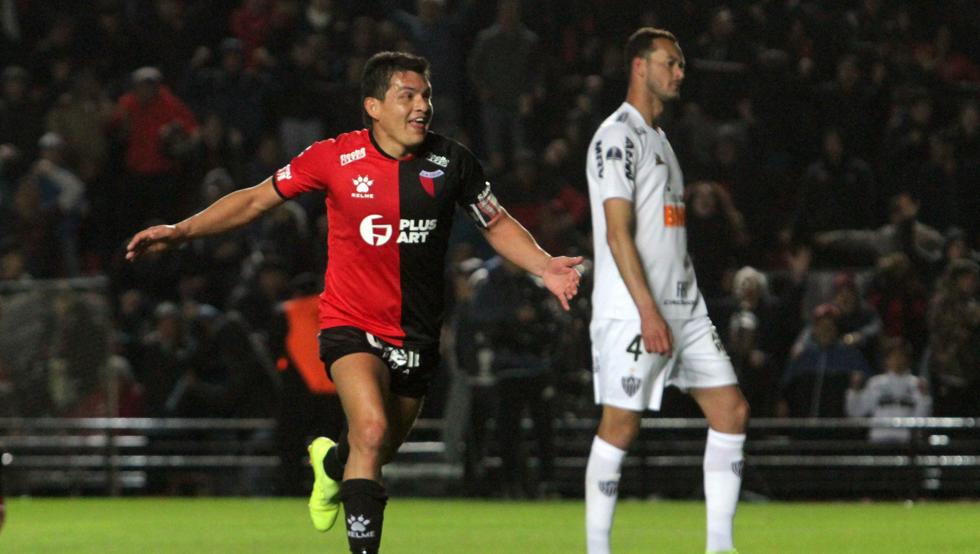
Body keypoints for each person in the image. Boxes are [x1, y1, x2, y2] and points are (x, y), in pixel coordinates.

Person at [127, 51, 582, 554]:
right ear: (373, 106)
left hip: (417, 332)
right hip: (351, 322)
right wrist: (181, 230)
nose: (421, 106)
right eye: (407, 96)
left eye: (426, 95)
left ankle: (329, 464)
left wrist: (544, 265)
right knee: (370, 427)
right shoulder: (332, 157)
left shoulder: (452, 162)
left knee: (374, 446)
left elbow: (494, 222)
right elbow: (256, 199)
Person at [584, 28, 749, 554]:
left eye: (680, 65)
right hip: (634, 311)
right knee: (619, 425)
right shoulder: (617, 136)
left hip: (685, 309)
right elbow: (617, 234)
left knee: (731, 411)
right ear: (640, 66)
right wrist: (648, 311)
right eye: (670, 63)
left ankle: (720, 546)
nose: (680, 73)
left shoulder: (661, 140)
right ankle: (596, 548)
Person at [846, 339, 931, 443]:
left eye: (901, 355)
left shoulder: (917, 384)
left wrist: (924, 397)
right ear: (886, 360)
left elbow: (921, 418)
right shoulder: (875, 383)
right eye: (893, 355)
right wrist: (854, 390)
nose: (897, 359)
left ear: (908, 359)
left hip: (905, 441)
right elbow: (856, 412)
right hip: (879, 439)